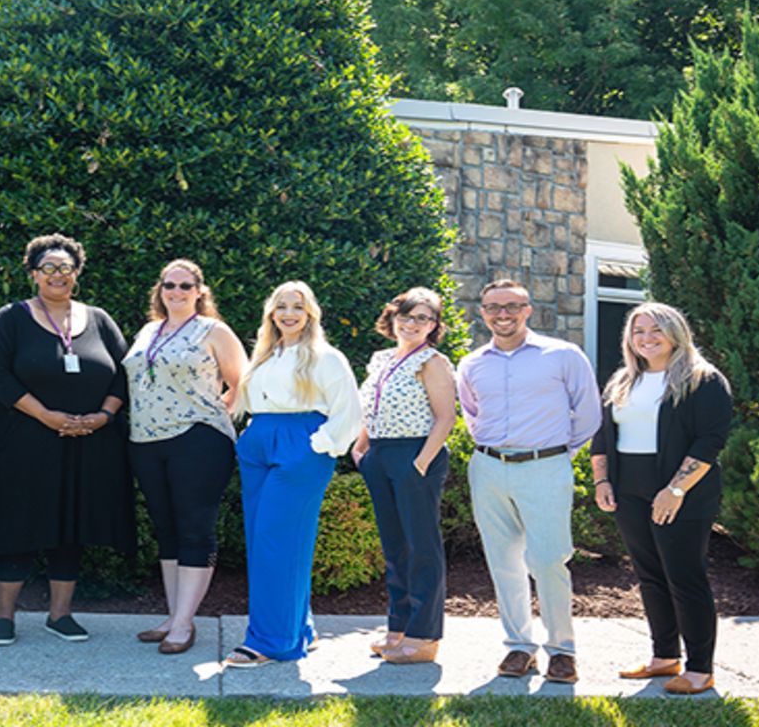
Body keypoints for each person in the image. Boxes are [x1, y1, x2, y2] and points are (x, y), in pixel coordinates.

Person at [0, 233, 135, 646]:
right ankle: (4, 617)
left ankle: (61, 615)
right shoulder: (11, 318)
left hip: (85, 444)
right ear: (34, 274)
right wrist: (45, 415)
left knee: (71, 525)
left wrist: (104, 416)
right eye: (49, 268)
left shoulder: (99, 319)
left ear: (77, 273)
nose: (58, 275)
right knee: (17, 525)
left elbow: (123, 374)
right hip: (21, 444)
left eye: (66, 267)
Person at [456, 279, 601, 684]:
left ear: (528, 310)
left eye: (512, 306)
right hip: (488, 468)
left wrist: (557, 455)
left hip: (545, 467)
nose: (502, 314)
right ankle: (519, 646)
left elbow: (588, 414)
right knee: (503, 561)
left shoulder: (563, 355)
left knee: (549, 559)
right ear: (483, 312)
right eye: (493, 307)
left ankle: (562, 651)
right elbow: (472, 414)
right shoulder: (471, 364)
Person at [590, 303, 732, 695]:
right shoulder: (623, 380)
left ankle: (700, 668)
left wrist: (675, 489)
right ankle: (664, 656)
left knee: (685, 576)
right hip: (629, 490)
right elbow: (603, 434)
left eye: (656, 330)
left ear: (675, 333)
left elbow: (710, 440)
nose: (646, 338)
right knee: (650, 575)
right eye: (638, 331)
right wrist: (602, 481)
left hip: (682, 492)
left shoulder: (702, 379)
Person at [224, 281, 361, 667]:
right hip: (259, 445)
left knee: (277, 541)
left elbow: (349, 411)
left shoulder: (325, 357)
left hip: (299, 446)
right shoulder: (265, 355)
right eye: (281, 306)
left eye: (297, 306)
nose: (288, 313)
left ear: (310, 313)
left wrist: (318, 446)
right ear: (271, 313)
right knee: (262, 540)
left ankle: (272, 642)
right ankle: (299, 629)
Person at [123, 260, 246, 655]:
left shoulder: (214, 331)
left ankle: (183, 623)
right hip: (146, 440)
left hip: (197, 440)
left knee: (194, 529)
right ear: (160, 291)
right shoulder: (148, 331)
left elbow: (242, 383)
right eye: (169, 285)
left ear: (199, 291)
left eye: (185, 285)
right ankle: (173, 615)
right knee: (166, 529)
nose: (176, 292)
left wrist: (216, 414)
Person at [351, 287, 457, 664]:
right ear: (393, 318)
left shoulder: (432, 361)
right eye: (407, 316)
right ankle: (398, 627)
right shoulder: (381, 359)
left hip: (415, 454)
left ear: (434, 325)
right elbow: (371, 407)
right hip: (380, 454)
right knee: (395, 546)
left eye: (423, 318)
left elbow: (446, 417)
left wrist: (421, 462)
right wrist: (361, 448)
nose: (412, 324)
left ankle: (424, 636)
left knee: (420, 546)